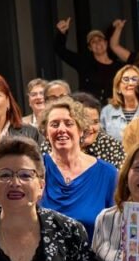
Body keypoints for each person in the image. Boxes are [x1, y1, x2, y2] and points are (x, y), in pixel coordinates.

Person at [41, 97, 119, 238]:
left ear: (81, 130)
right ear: (46, 132)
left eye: (69, 123)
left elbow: (117, 229)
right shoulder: (36, 170)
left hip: (94, 258)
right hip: (45, 259)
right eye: (54, 124)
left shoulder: (108, 174)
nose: (61, 129)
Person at [54, 17, 129, 99]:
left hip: (112, 109)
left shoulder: (119, 67)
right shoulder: (84, 63)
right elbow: (61, 51)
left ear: (106, 43)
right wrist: (62, 33)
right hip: (88, 108)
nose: (97, 43)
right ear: (90, 48)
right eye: (93, 42)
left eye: (100, 40)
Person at [74, 92, 126, 167]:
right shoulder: (57, 144)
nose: (90, 128)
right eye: (85, 122)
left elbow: (121, 177)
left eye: (95, 122)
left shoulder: (112, 146)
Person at [102, 65, 139, 140]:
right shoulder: (107, 111)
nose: (130, 83)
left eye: (135, 79)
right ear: (118, 88)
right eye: (126, 79)